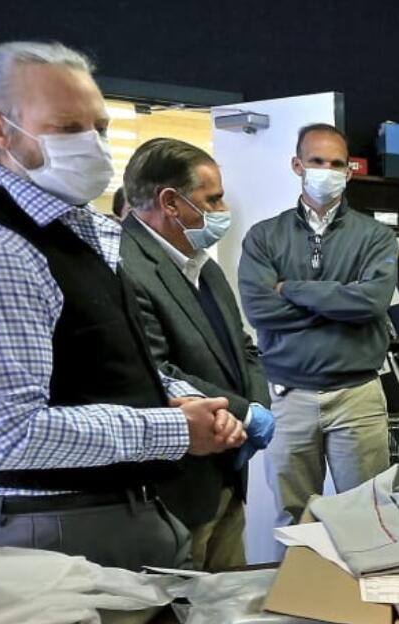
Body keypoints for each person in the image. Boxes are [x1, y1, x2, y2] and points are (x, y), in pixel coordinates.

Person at [0, 37, 245, 571]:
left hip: (121, 511)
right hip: (46, 527)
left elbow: (109, 358)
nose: (93, 145)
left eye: (100, 128)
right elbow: (7, 435)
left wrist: (182, 399)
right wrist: (176, 430)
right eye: (68, 129)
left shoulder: (81, 231)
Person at [120, 138, 275, 571]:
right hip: (176, 486)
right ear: (170, 202)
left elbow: (243, 346)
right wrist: (245, 414)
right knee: (182, 620)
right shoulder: (124, 266)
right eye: (213, 198)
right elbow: (156, 371)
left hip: (227, 474)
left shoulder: (202, 264)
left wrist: (257, 406)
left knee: (228, 609)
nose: (223, 208)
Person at [238, 123, 398, 525]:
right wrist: (337, 301)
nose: (327, 170)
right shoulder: (264, 237)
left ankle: (365, 590)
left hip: (356, 395)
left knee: (369, 515)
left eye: (337, 163)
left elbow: (370, 302)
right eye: (317, 161)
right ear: (297, 165)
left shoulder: (375, 237)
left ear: (349, 170)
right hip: (289, 396)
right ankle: (300, 590)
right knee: (294, 518)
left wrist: (291, 287)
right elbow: (260, 310)